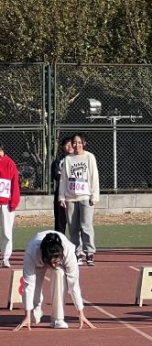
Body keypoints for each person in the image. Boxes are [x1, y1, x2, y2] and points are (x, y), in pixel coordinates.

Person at [13, 231, 95, 330]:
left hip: (56, 260)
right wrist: (27, 315)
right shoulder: (31, 253)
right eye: (54, 262)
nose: (56, 264)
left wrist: (80, 313)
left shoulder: (68, 252)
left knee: (59, 273)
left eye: (58, 261)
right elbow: (28, 285)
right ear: (46, 259)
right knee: (34, 317)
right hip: (37, 262)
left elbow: (74, 284)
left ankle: (57, 319)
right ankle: (35, 310)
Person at [59, 133, 100, 266]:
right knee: (73, 227)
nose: (77, 145)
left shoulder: (89, 157)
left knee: (86, 226)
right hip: (70, 198)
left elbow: (94, 176)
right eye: (74, 143)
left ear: (84, 143)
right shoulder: (68, 159)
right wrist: (61, 196)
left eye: (79, 142)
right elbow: (63, 179)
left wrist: (95, 196)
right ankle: (77, 252)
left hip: (86, 197)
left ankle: (89, 252)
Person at [0, 143, 20, 268]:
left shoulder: (10, 164)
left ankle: (6, 257)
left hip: (6, 204)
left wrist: (14, 202)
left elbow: (15, 184)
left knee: (7, 232)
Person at [51, 137, 73, 234]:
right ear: (63, 147)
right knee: (60, 223)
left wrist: (64, 175)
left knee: (75, 223)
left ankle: (77, 243)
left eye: (71, 144)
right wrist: (67, 177)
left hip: (74, 194)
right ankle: (59, 241)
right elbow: (56, 175)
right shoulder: (58, 161)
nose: (69, 146)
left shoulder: (79, 160)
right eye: (67, 144)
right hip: (61, 193)